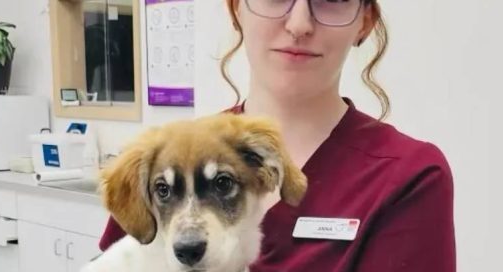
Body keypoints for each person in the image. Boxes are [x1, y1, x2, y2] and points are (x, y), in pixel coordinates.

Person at [98, 0, 456, 271]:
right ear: (238, 8)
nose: (300, 23)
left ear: (364, 21)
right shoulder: (168, 156)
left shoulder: (409, 177)